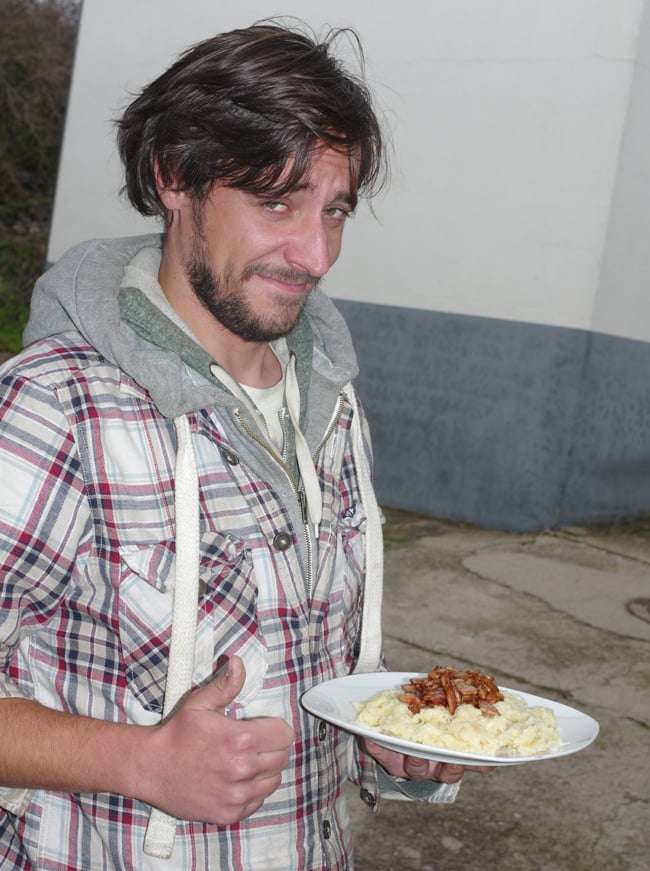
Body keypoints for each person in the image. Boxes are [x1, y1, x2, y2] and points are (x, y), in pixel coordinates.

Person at [0, 22, 482, 870]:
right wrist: (140, 760)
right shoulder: (57, 407)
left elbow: (299, 669)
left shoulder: (328, 403)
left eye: (335, 209)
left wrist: (387, 735)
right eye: (277, 202)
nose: (318, 251)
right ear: (174, 177)